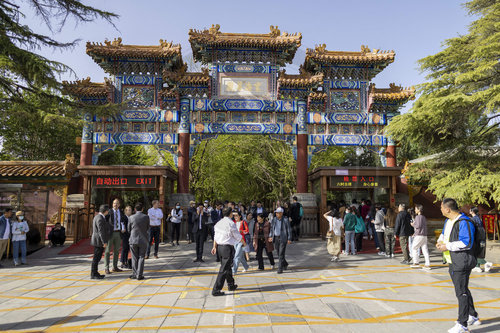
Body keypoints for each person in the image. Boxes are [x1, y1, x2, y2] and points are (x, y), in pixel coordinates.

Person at [436, 198, 480, 333]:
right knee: (463, 289)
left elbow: (466, 243)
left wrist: (447, 246)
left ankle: (462, 324)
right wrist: (440, 241)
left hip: (462, 261)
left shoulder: (464, 222)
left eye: (441, 208)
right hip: (452, 261)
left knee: (461, 292)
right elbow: (444, 234)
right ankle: (473, 315)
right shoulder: (448, 221)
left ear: (448, 209)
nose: (441, 210)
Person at [211, 208, 242, 296]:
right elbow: (237, 236)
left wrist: (214, 247)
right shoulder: (231, 223)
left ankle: (231, 284)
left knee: (227, 267)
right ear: (230, 214)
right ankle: (216, 290)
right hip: (227, 248)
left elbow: (215, 236)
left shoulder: (218, 223)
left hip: (220, 248)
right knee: (224, 269)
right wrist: (243, 243)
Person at [128, 203, 150, 280]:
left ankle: (134, 273)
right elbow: (147, 228)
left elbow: (128, 229)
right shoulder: (146, 217)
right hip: (143, 239)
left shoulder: (131, 217)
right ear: (142, 209)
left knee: (134, 257)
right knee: (141, 257)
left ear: (135, 209)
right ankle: (139, 274)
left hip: (133, 239)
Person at [104, 198, 125, 274]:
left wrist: (123, 228)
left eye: (116, 203)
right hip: (110, 233)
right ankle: (106, 267)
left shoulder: (121, 212)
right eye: (114, 203)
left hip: (118, 233)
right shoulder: (109, 212)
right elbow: (105, 221)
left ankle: (115, 266)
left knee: (116, 251)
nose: (115, 205)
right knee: (107, 251)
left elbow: (123, 221)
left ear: (119, 205)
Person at [269, 207, 292, 274]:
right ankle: (285, 264)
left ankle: (280, 268)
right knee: (279, 253)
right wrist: (270, 236)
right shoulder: (274, 220)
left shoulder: (285, 219)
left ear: (281, 213)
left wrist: (289, 238)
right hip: (276, 238)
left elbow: (289, 229)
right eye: (276, 212)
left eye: (278, 213)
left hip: (283, 238)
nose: (276, 214)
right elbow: (272, 229)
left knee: (281, 253)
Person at [90, 205, 110, 279]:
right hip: (98, 241)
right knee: (96, 257)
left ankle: (95, 272)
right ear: (106, 211)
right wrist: (104, 242)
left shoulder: (98, 216)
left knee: (97, 257)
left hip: (98, 240)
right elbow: (101, 231)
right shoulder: (100, 218)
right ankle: (93, 273)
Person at [470, 207, 492, 273]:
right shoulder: (478, 218)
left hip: (477, 237)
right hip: (481, 237)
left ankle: (486, 263)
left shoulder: (473, 219)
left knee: (476, 251)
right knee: (479, 252)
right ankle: (477, 267)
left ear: (472, 211)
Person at [410, 204, 431, 270]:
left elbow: (418, 226)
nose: (415, 210)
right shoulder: (424, 217)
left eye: (416, 209)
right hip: (424, 235)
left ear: (419, 210)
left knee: (414, 248)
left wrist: (413, 224)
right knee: (425, 249)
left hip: (419, 235)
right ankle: (427, 264)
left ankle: (416, 263)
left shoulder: (418, 217)